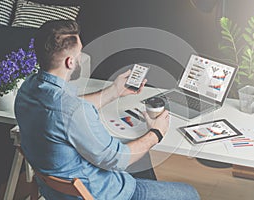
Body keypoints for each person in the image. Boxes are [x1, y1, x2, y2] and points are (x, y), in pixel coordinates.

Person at [14, 19, 200, 200]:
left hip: (54, 191)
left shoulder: (28, 90)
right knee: (190, 193)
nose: (81, 57)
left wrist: (114, 92)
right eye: (80, 53)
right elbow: (117, 158)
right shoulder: (72, 111)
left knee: (142, 159)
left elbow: (66, 110)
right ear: (70, 62)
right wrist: (157, 132)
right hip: (100, 192)